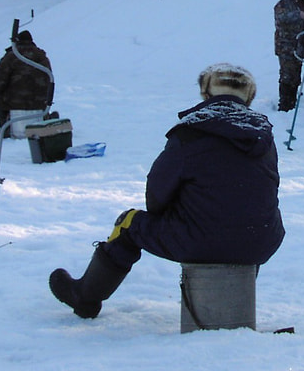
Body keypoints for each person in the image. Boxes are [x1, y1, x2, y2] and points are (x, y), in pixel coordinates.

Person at [49, 63, 284, 319]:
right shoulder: (263, 137)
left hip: (199, 242)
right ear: (249, 96)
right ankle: (231, 294)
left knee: (129, 224)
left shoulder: (192, 132)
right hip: (261, 241)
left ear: (206, 93)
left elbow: (157, 194)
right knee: (245, 225)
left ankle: (85, 297)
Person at [0, 30, 52, 134]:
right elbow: (49, 80)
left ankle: (6, 126)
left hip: (15, 103)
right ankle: (46, 119)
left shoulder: (12, 55)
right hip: (40, 102)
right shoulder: (42, 56)